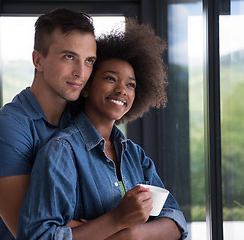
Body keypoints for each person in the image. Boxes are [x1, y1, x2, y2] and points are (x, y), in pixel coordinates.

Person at [17, 18, 188, 239]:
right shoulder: (61, 152)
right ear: (86, 87)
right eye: (110, 78)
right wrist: (117, 219)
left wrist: (130, 234)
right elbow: (37, 236)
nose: (122, 90)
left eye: (130, 84)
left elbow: (176, 221)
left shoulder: (135, 155)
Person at [0, 8, 97, 239]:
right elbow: (34, 231)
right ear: (38, 60)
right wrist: (117, 221)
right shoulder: (3, 130)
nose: (81, 72)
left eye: (89, 61)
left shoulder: (82, 122)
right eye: (69, 57)